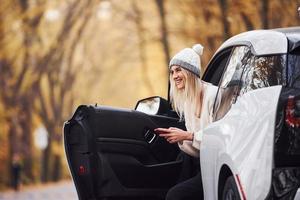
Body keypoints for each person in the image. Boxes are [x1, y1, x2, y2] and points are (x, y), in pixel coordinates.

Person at [155, 44, 218, 200]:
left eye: (178, 70)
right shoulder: (187, 102)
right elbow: (197, 149)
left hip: (217, 166)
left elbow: (220, 137)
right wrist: (178, 137)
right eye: (172, 72)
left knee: (175, 195)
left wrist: (188, 136)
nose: (174, 76)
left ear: (191, 72)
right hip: (201, 163)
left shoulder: (213, 96)